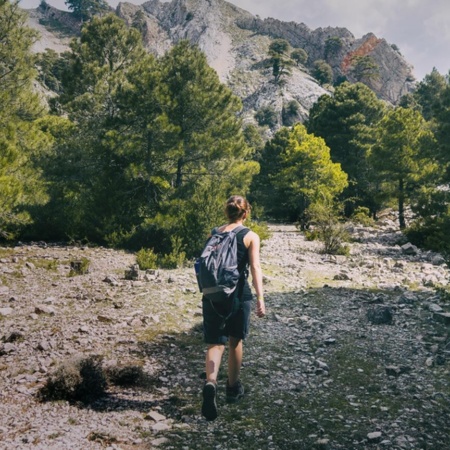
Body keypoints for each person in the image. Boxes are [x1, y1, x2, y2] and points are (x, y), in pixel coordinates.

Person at [201, 195, 266, 421]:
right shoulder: (250, 236)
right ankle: (232, 388)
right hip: (238, 294)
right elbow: (255, 266)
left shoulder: (214, 233)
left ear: (226, 212)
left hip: (211, 295)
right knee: (235, 339)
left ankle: (211, 382)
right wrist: (260, 297)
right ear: (245, 213)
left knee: (215, 342)